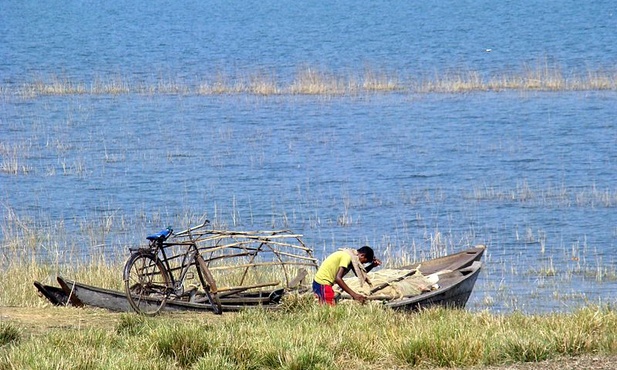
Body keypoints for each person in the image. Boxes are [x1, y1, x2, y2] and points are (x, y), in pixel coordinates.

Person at [312, 246, 381, 305]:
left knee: (327, 307)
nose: (361, 264)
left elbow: (359, 273)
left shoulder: (352, 257)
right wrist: (354, 295)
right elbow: (338, 278)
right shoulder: (347, 257)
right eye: (363, 262)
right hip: (322, 284)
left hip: (321, 283)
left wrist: (372, 265)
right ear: (362, 255)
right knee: (329, 310)